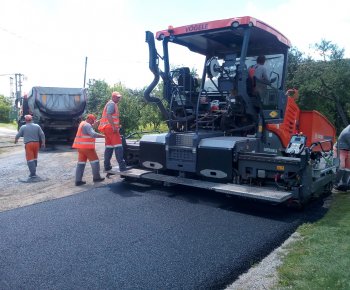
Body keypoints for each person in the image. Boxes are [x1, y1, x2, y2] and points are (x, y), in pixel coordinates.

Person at [72, 114, 106, 186]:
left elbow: (89, 129)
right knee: (95, 162)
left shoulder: (82, 124)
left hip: (80, 148)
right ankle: (96, 178)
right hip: (87, 148)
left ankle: (78, 181)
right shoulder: (87, 125)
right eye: (92, 121)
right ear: (89, 119)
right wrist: (104, 136)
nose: (92, 123)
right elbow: (93, 134)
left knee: (81, 164)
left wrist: (96, 124)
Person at [98, 91, 127, 173]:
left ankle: (107, 166)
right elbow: (109, 115)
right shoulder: (112, 104)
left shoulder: (109, 104)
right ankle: (122, 167)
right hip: (111, 129)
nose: (119, 99)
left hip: (107, 129)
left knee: (109, 147)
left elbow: (107, 117)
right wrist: (114, 127)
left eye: (119, 97)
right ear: (113, 97)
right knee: (118, 146)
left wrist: (116, 125)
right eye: (117, 97)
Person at [334, 124, 350, 191]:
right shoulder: (347, 133)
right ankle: (335, 183)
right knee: (341, 166)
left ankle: (345, 184)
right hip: (340, 149)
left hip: (348, 150)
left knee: (348, 167)